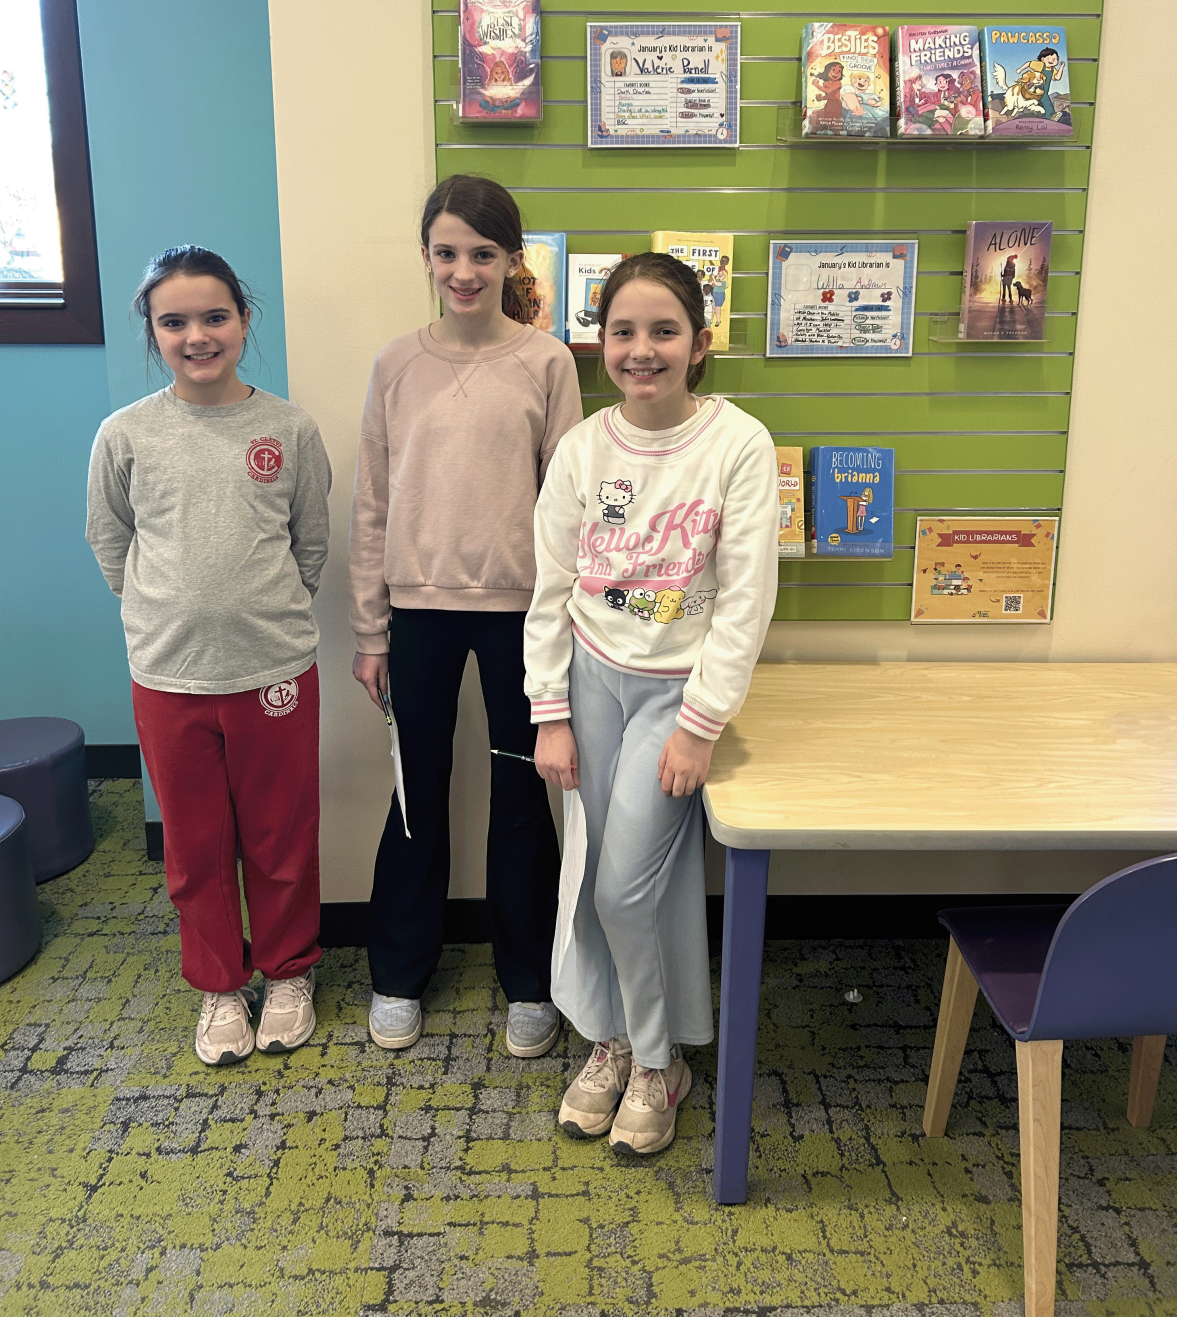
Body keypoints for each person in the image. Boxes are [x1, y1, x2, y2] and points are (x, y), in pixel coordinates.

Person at [525, 252, 778, 1156]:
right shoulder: (586, 448)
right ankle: (615, 1039)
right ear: (600, 346)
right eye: (623, 331)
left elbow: (747, 599)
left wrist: (703, 722)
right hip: (592, 678)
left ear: (699, 344)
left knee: (623, 886)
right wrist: (548, 712)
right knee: (592, 874)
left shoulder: (737, 444)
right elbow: (552, 586)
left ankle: (658, 1061)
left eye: (663, 330)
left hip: (675, 692)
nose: (642, 350)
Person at [350, 174, 582, 1057]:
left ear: (511, 259)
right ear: (426, 258)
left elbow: (567, 511)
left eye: (483, 253)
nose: (464, 270)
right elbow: (373, 505)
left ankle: (530, 980)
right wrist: (370, 630)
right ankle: (398, 973)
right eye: (447, 252)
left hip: (521, 618)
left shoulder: (547, 362)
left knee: (522, 796)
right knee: (418, 794)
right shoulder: (395, 364)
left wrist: (562, 631)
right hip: (416, 614)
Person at [86, 246, 331, 1066]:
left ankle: (289, 972)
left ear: (245, 320)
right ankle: (221, 988)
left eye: (215, 316)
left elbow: (310, 541)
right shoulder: (125, 435)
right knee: (194, 845)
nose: (198, 335)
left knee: (281, 834)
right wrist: (166, 612)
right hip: (168, 674)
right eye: (175, 321)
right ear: (153, 333)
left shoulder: (289, 428)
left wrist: (255, 612)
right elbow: (111, 539)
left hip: (275, 671)